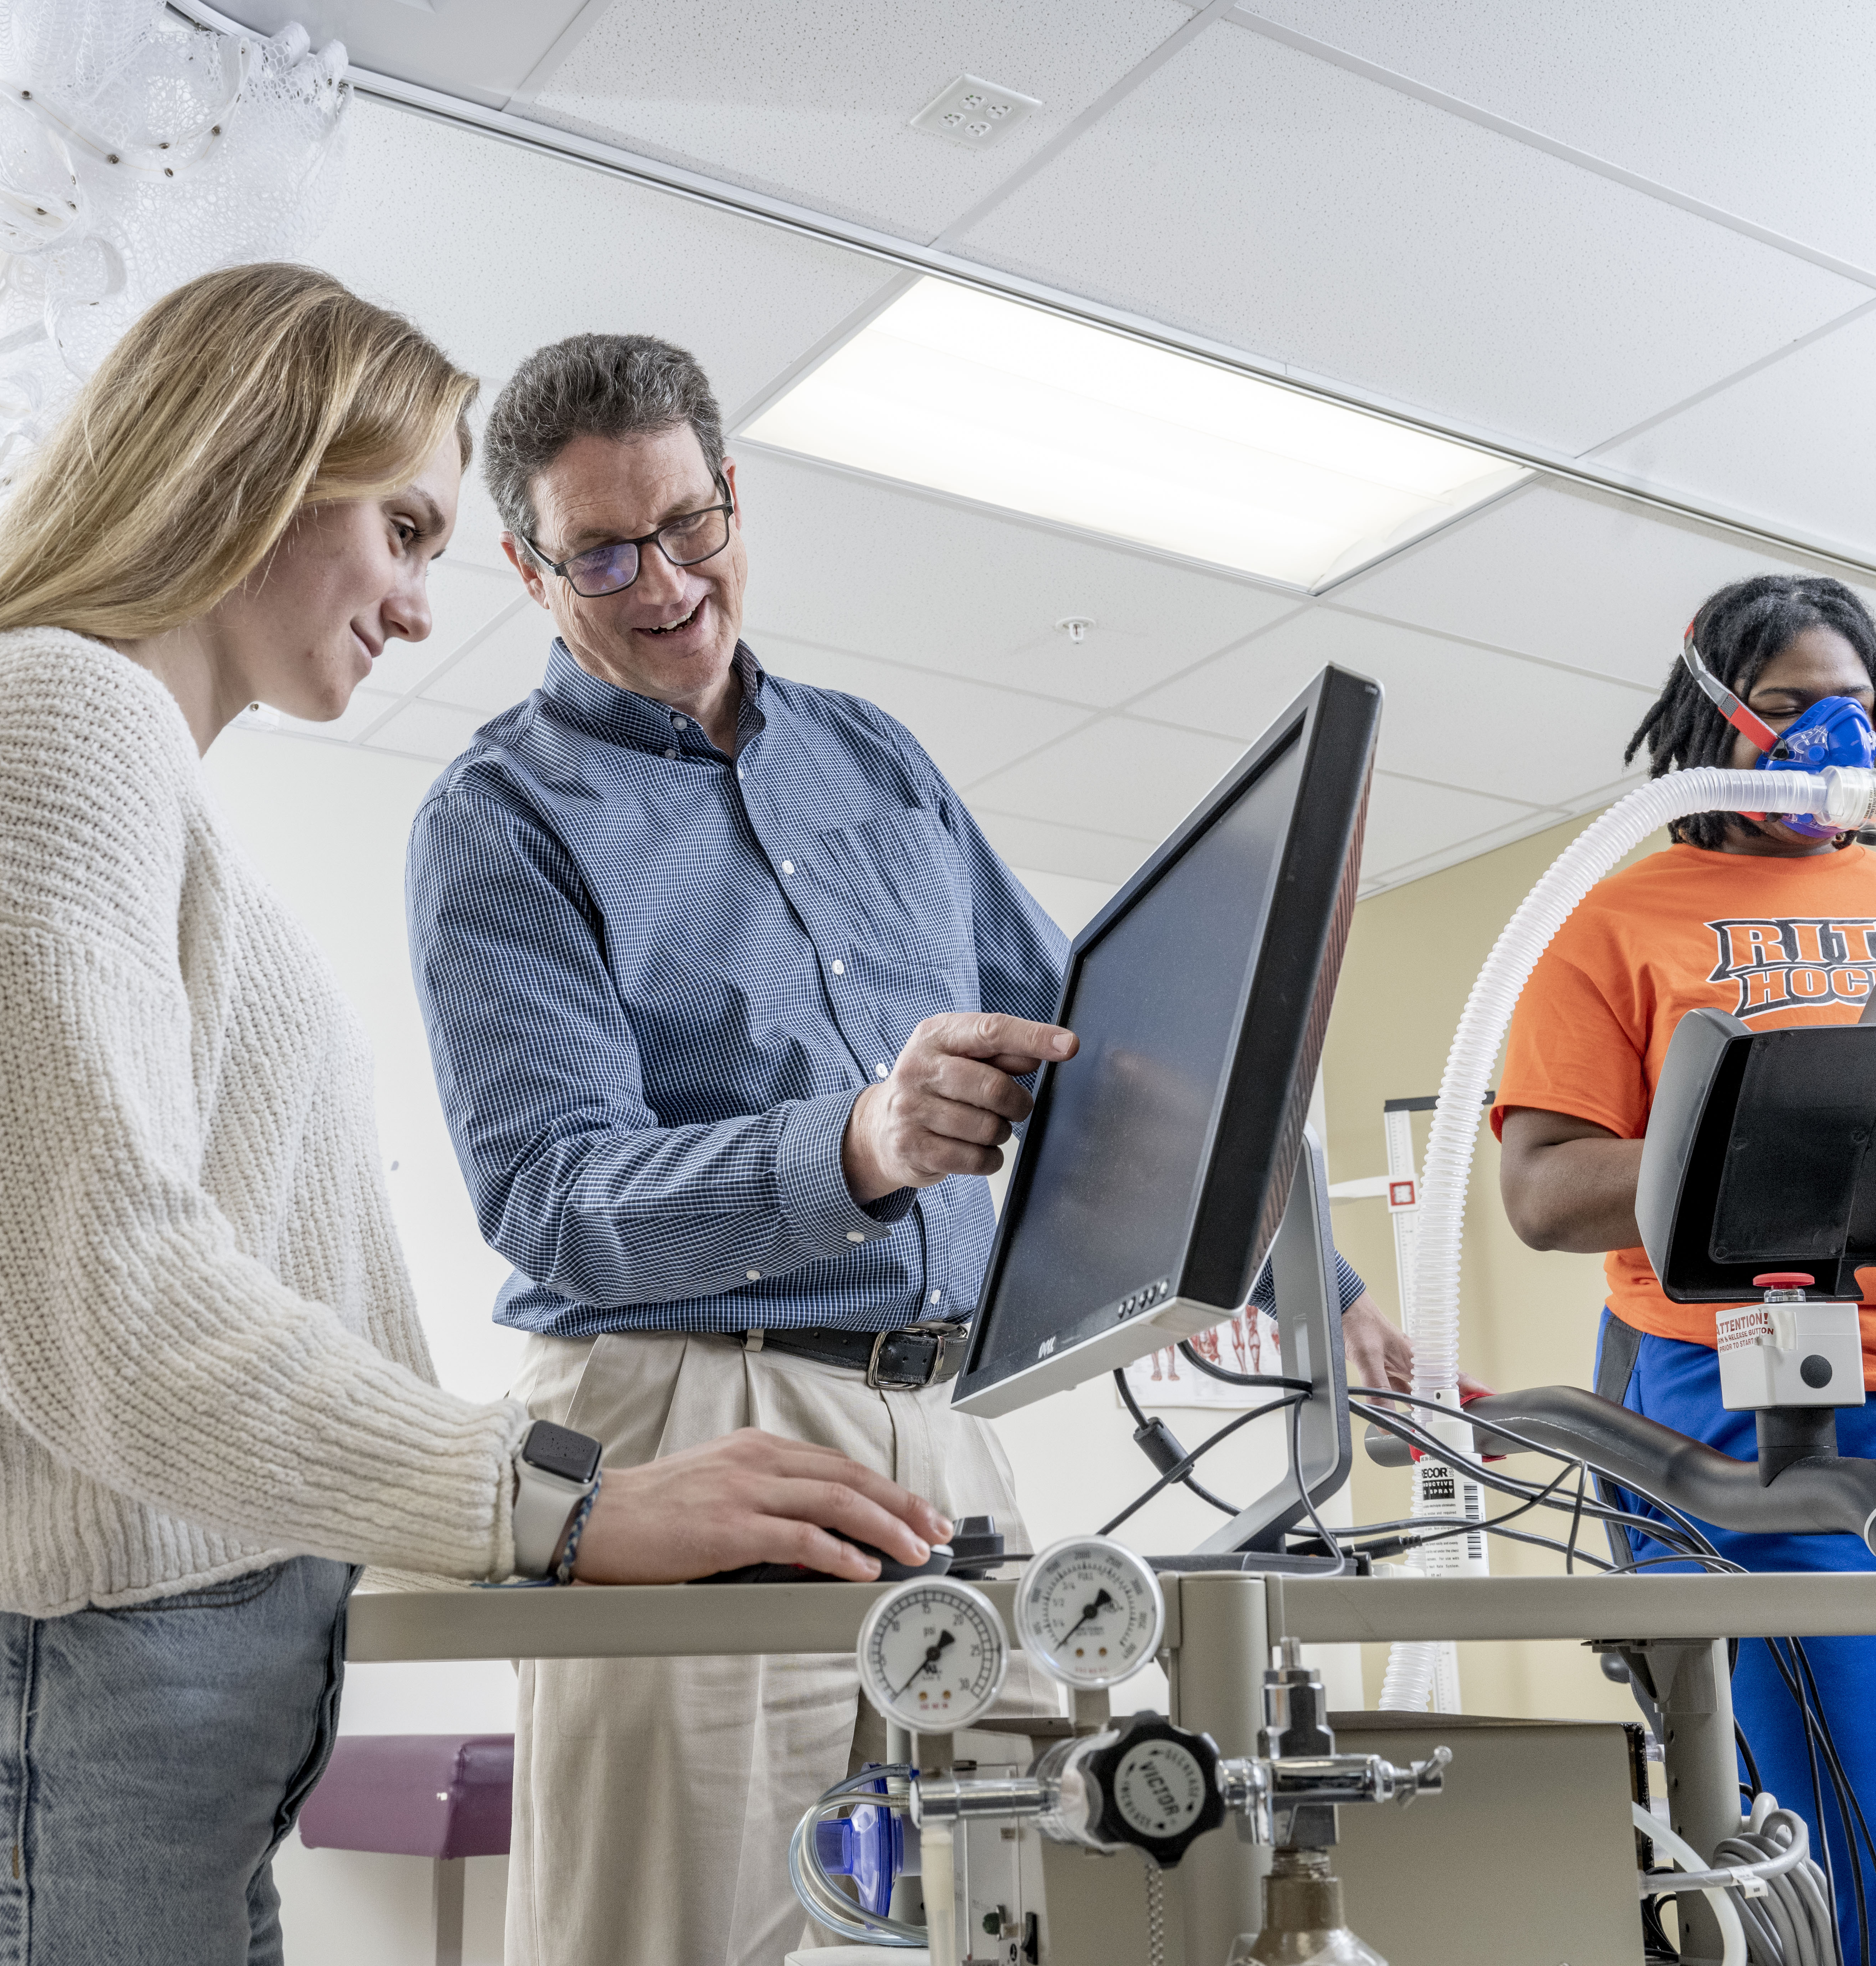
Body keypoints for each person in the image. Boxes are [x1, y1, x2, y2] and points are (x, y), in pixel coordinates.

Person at [0, 265, 953, 1966]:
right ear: (250, 465)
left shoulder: (103, 754)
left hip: (97, 1770)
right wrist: (562, 1501)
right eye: (409, 529)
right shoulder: (50, 718)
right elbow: (116, 1308)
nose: (423, 605)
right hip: (16, 1773)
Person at [403, 331, 1390, 1966]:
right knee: (681, 1939)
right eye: (602, 550)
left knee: (1025, 1907)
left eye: (690, 525)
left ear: (735, 493)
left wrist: (1321, 1284)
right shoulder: (499, 814)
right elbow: (553, 1198)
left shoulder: (873, 758)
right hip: (685, 1418)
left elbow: (1097, 1047)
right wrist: (856, 1139)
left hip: (936, 1427)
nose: (664, 583)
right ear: (527, 564)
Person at [1491, 573, 1876, 1965]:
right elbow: (1542, 1189)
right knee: (1848, 1813)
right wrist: (1778, 1148)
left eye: (1851, 708)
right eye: (1785, 709)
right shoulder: (1614, 919)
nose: (1825, 741)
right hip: (1762, 1398)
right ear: (1710, 720)